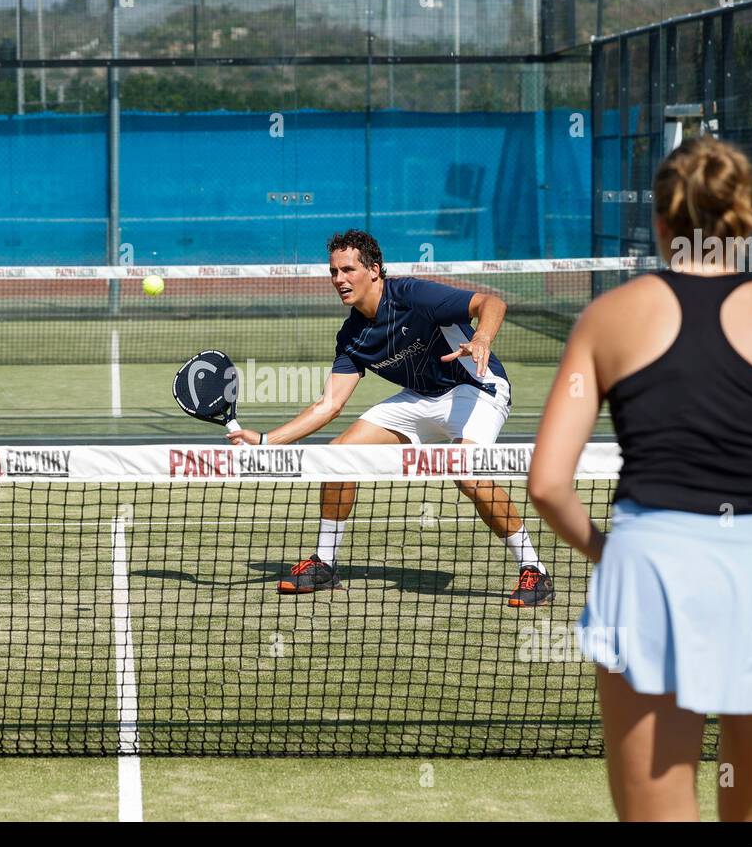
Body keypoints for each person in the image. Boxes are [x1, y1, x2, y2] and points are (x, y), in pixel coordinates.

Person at [528, 136, 752, 820]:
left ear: (660, 223)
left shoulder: (608, 318)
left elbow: (546, 485)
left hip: (649, 566)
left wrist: (610, 549)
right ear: (747, 220)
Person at [228, 229, 553, 604]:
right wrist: (267, 441)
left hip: (475, 388)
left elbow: (491, 302)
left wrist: (481, 338)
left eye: (348, 269)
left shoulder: (413, 295)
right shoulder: (352, 336)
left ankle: (534, 571)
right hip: (420, 398)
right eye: (333, 271)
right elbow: (329, 405)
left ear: (374, 270)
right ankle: (325, 563)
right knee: (338, 457)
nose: (339, 279)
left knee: (466, 473)